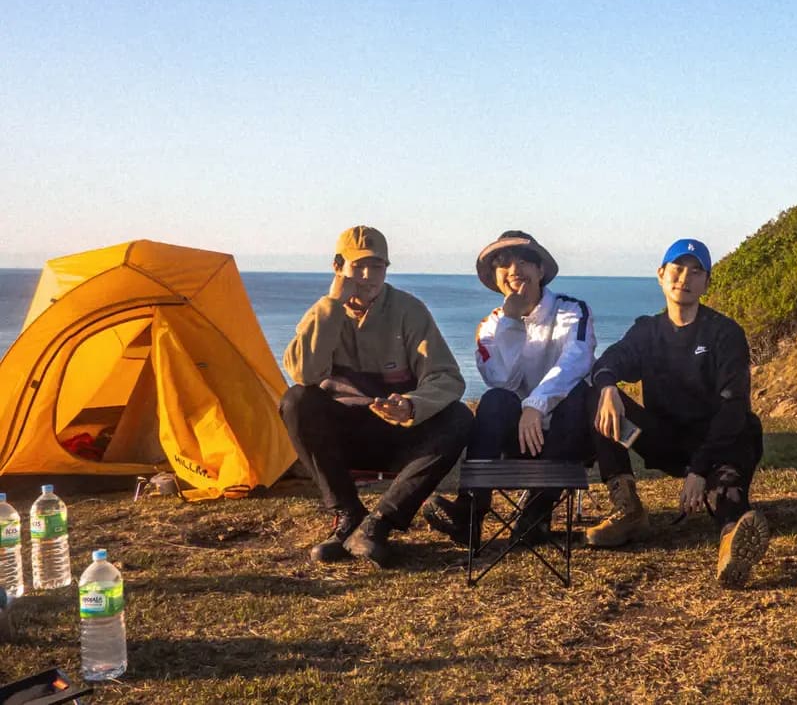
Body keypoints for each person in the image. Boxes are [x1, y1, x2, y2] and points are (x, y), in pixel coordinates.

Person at [280, 225, 472, 567]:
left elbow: (447, 377)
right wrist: (331, 306)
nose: (369, 276)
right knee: (296, 400)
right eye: (358, 266)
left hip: (399, 433)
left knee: (459, 417)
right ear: (338, 267)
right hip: (346, 434)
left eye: (378, 266)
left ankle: (378, 524)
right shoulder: (322, 313)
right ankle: (348, 515)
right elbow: (303, 373)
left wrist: (413, 405)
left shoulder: (408, 310)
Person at [585, 238, 770, 588]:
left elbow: (733, 407)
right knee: (595, 398)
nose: (684, 277)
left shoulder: (723, 333)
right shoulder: (648, 331)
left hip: (721, 443)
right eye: (677, 268)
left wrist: (700, 468)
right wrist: (608, 386)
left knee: (724, 488)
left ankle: (733, 540)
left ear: (706, 283)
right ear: (661, 274)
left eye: (696, 271)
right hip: (665, 442)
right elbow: (611, 360)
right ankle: (629, 512)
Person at [424, 230, 595, 546]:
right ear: (495, 277)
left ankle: (535, 514)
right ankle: (470, 514)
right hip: (517, 437)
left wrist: (537, 404)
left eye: (523, 261)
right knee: (494, 399)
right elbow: (502, 379)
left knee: (578, 396)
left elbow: (578, 359)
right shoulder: (491, 325)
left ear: (540, 270)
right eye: (503, 264)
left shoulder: (571, 310)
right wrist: (511, 322)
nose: (514, 270)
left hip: (567, 436)